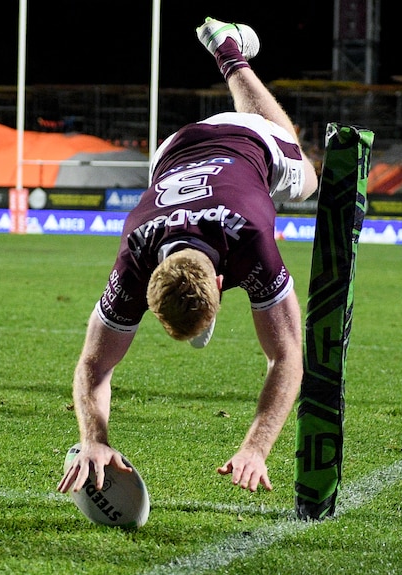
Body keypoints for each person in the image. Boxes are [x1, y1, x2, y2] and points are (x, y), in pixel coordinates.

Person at [57, 17, 319, 496]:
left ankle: (230, 55)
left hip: (245, 142)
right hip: (173, 154)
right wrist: (93, 441)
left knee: (307, 178)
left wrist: (257, 447)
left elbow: (288, 357)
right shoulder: (136, 253)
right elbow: (93, 368)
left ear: (220, 282)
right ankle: (227, 52)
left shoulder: (250, 240)